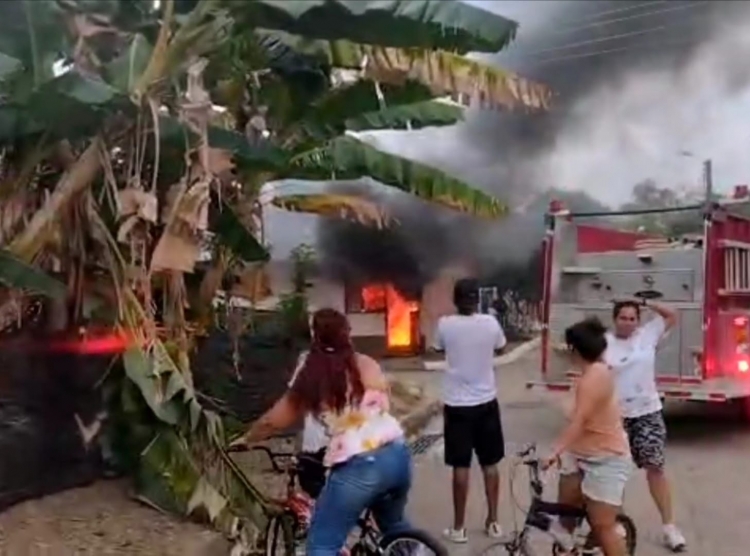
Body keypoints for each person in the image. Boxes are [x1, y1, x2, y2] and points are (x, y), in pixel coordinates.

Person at [230, 308, 411, 556]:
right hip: (397, 455)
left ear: (315, 336)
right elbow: (383, 406)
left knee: (322, 545)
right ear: (347, 334)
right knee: (394, 528)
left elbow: (274, 421)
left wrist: (247, 439)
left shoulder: (312, 370)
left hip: (359, 465)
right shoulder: (367, 364)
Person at [546, 318, 632, 556]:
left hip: (606, 457)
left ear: (575, 349)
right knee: (565, 518)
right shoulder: (584, 374)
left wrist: (554, 452)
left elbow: (579, 421)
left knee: (603, 527)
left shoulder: (596, 376)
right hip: (579, 454)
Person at [606, 299, 686, 551]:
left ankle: (669, 528)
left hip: (647, 411)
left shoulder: (647, 334)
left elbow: (673, 314)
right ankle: (616, 524)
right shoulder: (605, 344)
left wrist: (643, 301)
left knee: (655, 467)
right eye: (623, 318)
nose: (628, 323)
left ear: (638, 321)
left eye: (632, 318)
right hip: (617, 416)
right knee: (614, 472)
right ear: (614, 319)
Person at [433, 277, 507, 544]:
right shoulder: (490, 323)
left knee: (460, 466)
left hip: (457, 405)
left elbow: (438, 348)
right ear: (477, 299)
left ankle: (459, 527)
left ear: (456, 300)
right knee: (490, 464)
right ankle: (494, 522)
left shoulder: (445, 324)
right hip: (487, 402)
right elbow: (501, 346)